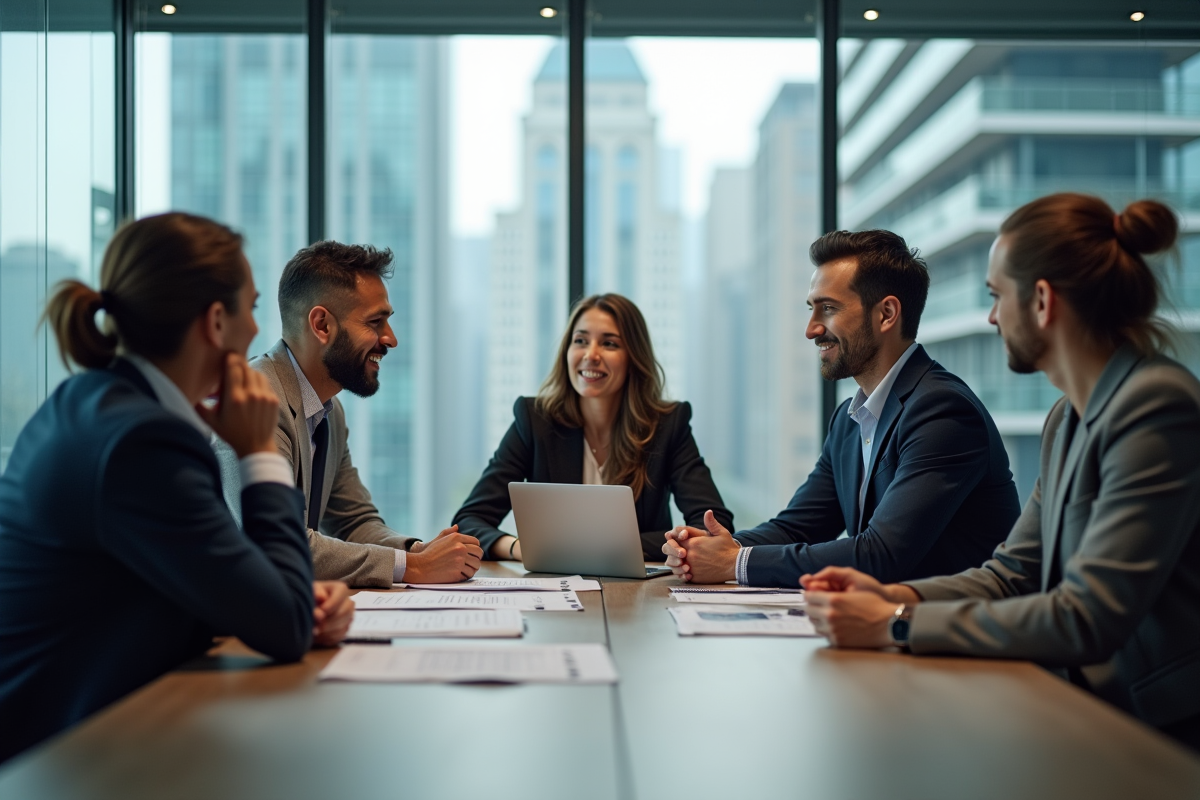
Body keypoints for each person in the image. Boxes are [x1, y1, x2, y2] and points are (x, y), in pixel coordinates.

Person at [803, 195, 1200, 752]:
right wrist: (891, 594)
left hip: (1155, 732)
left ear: (1041, 301)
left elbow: (1087, 616)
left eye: (995, 296)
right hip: (1074, 705)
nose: (991, 317)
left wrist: (893, 622)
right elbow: (1011, 575)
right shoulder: (1067, 418)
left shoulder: (1156, 404)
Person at [0, 213, 353, 765]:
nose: (259, 332)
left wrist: (284, 599)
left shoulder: (96, 405)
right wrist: (258, 452)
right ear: (216, 322)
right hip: (59, 758)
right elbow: (283, 629)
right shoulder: (142, 443)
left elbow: (210, 578)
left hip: (97, 730)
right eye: (253, 308)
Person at [664, 230, 1021, 587]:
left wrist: (734, 562)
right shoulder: (849, 420)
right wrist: (714, 548)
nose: (811, 329)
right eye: (811, 309)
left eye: (829, 308)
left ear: (886, 314)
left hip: (946, 635)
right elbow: (798, 526)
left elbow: (880, 554)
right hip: (881, 630)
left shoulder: (942, 412)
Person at [220, 241, 482, 588]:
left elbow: (353, 521)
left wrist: (419, 552)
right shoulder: (259, 400)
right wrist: (414, 568)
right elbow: (278, 543)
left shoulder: (329, 410)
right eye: (376, 322)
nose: (390, 339)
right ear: (322, 325)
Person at [455, 293, 732, 562]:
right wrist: (519, 548)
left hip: (642, 596)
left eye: (609, 344)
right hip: (555, 594)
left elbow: (713, 527)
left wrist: (585, 549)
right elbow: (469, 521)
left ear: (634, 356)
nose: (591, 354)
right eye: (580, 340)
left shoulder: (667, 425)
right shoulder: (535, 420)